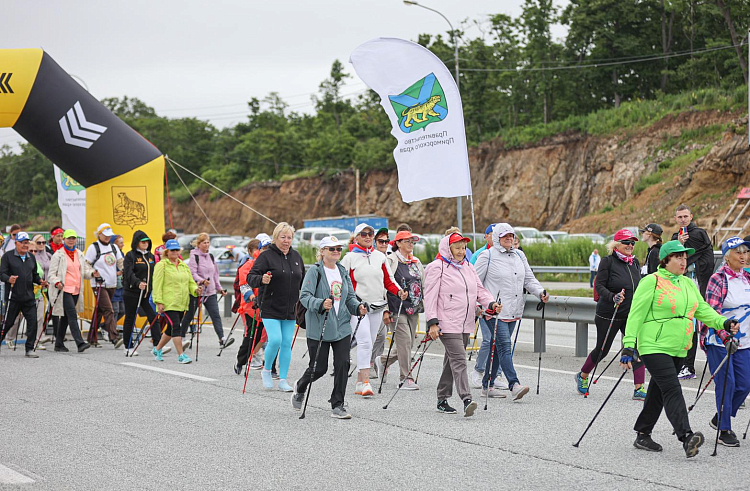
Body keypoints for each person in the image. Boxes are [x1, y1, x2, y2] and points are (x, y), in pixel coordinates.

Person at [622, 240, 735, 458]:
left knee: (658, 391)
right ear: (666, 260)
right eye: (678, 257)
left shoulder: (688, 283)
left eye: (685, 257)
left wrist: (723, 323)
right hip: (653, 345)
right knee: (673, 388)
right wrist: (629, 345)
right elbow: (635, 314)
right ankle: (686, 436)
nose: (684, 261)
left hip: (679, 347)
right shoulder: (651, 282)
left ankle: (643, 433)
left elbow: (702, 310)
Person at [424, 232, 501, 416]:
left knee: (451, 361)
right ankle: (467, 399)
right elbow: (430, 296)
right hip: (446, 323)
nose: (461, 251)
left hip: (466, 322)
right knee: (459, 360)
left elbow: (479, 290)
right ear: (448, 249)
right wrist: (432, 322)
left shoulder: (468, 266)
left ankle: (442, 398)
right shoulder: (437, 267)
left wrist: (490, 303)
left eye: (463, 247)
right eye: (457, 247)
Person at [293, 236, 367, 419]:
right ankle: (300, 386)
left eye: (338, 248)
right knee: (319, 368)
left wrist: (358, 307)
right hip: (319, 326)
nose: (336, 251)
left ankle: (338, 404)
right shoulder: (315, 271)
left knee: (343, 363)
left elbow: (349, 297)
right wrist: (319, 303)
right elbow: (304, 296)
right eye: (332, 248)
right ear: (322, 251)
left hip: (341, 325)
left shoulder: (342, 271)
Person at [473, 223, 545, 400]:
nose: (509, 238)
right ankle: (514, 384)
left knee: (498, 348)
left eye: (511, 235)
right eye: (505, 236)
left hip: (514, 309)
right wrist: (484, 304)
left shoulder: (519, 255)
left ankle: (487, 386)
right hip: (494, 311)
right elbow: (475, 282)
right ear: (497, 237)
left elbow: (528, 278)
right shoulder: (487, 256)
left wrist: (540, 292)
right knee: (505, 345)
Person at [575, 229, 646, 400]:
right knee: (602, 350)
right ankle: (582, 376)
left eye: (633, 243)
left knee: (636, 348)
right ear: (616, 245)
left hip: (630, 314)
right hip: (609, 313)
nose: (630, 246)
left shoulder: (634, 263)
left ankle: (639, 388)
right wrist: (612, 297)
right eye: (627, 242)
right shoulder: (607, 262)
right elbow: (599, 285)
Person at [341, 223, 406, 398]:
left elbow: (388, 280)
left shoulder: (380, 257)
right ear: (356, 237)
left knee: (369, 341)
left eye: (371, 234)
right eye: (364, 234)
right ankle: (366, 381)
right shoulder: (349, 258)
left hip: (377, 306)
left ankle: (359, 381)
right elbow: (341, 284)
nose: (368, 236)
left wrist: (399, 291)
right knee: (364, 342)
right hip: (358, 307)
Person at [700, 236, 750, 447]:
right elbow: (712, 313)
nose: (743, 256)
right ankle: (724, 429)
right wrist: (725, 335)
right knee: (727, 384)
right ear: (727, 256)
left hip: (744, 341)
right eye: (738, 252)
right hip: (720, 341)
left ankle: (720, 416)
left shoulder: (747, 278)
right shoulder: (718, 279)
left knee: (745, 384)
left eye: (746, 252)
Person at [248, 222, 305, 392]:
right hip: (270, 306)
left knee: (287, 343)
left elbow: (303, 280)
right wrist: (261, 280)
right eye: (283, 237)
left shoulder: (296, 257)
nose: (286, 241)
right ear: (275, 238)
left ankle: (283, 379)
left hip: (290, 307)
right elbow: (251, 277)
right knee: (276, 339)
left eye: (289, 237)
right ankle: (267, 370)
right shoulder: (266, 257)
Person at [672, 205, 715, 380]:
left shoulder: (699, 234)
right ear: (676, 219)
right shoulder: (676, 237)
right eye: (679, 217)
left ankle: (690, 366)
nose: (683, 219)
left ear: (691, 216)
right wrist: (679, 243)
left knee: (695, 326)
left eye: (685, 216)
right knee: (682, 326)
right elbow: (671, 260)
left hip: (697, 286)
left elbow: (701, 257)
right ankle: (683, 365)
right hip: (680, 286)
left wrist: (681, 247)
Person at [379, 230, 425, 389]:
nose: (411, 244)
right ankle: (405, 378)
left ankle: (384, 361)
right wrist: (384, 309)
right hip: (396, 307)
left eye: (412, 241)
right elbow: (384, 284)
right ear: (398, 243)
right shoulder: (390, 260)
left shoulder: (416, 261)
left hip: (414, 307)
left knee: (409, 343)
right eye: (407, 241)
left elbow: (423, 284)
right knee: (404, 342)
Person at [152, 239, 202, 363]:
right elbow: (157, 284)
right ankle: (181, 355)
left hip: (182, 302)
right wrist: (158, 302)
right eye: (172, 250)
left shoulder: (183, 265)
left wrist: (196, 289)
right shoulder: (161, 265)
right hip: (168, 302)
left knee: (170, 329)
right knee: (176, 327)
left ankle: (157, 349)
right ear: (166, 252)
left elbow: (190, 282)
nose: (175, 252)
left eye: (176, 250)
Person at [0, 232, 47, 357]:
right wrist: (9, 279)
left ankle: (29, 349)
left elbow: (34, 275)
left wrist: (40, 281)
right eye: (22, 242)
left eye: (27, 242)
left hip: (28, 296)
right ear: (16, 243)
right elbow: (2, 274)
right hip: (13, 297)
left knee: (33, 322)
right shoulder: (7, 256)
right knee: (7, 323)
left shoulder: (30, 257)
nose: (25, 245)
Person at [181, 233, 231, 348]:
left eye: (208, 242)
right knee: (189, 315)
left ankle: (222, 339)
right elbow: (192, 273)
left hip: (210, 292)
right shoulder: (195, 256)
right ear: (199, 244)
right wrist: (202, 281)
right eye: (204, 242)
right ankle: (181, 337)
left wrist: (220, 289)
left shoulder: (211, 256)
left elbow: (215, 275)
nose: (207, 245)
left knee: (215, 315)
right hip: (197, 291)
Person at [47, 230, 92, 353]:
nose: (71, 240)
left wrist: (93, 273)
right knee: (72, 315)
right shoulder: (58, 255)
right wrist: (57, 282)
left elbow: (84, 272)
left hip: (76, 289)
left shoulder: (79, 254)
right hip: (64, 289)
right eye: (68, 238)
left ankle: (58, 344)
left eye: (73, 238)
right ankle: (80, 343)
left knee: (66, 318)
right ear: (64, 240)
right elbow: (51, 274)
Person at [122, 230, 165, 356]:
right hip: (132, 292)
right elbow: (128, 274)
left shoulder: (150, 256)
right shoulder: (130, 256)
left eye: (147, 241)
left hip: (146, 294)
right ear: (137, 242)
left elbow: (154, 274)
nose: (145, 244)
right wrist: (137, 283)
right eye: (142, 242)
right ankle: (128, 346)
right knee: (130, 318)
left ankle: (157, 345)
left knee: (153, 317)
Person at [84, 223, 124, 347]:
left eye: (109, 235)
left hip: (112, 283)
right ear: (99, 235)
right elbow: (86, 264)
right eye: (105, 235)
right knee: (108, 309)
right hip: (98, 284)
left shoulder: (114, 247)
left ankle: (91, 338)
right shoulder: (93, 247)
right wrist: (92, 273)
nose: (107, 238)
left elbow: (120, 261)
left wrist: (124, 272)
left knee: (100, 310)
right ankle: (114, 337)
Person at [235, 238, 269, 374]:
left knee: (261, 336)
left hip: (266, 307)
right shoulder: (247, 266)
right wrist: (252, 297)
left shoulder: (269, 265)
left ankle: (260, 361)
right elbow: (244, 285)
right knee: (250, 336)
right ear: (251, 251)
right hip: (251, 308)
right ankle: (241, 361)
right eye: (260, 249)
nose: (262, 252)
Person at [370, 227, 392, 378]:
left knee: (382, 336)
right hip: (374, 303)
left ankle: (378, 363)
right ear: (375, 242)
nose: (384, 244)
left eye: (386, 241)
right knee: (376, 335)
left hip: (388, 302)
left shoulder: (389, 258)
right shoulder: (371, 258)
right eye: (381, 241)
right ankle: (370, 363)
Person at [111, 235, 126, 323]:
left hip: (120, 285)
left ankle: (106, 326)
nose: (123, 245)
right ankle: (111, 331)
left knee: (122, 310)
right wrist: (116, 273)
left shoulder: (121, 254)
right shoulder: (110, 255)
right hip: (113, 285)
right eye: (121, 243)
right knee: (115, 310)